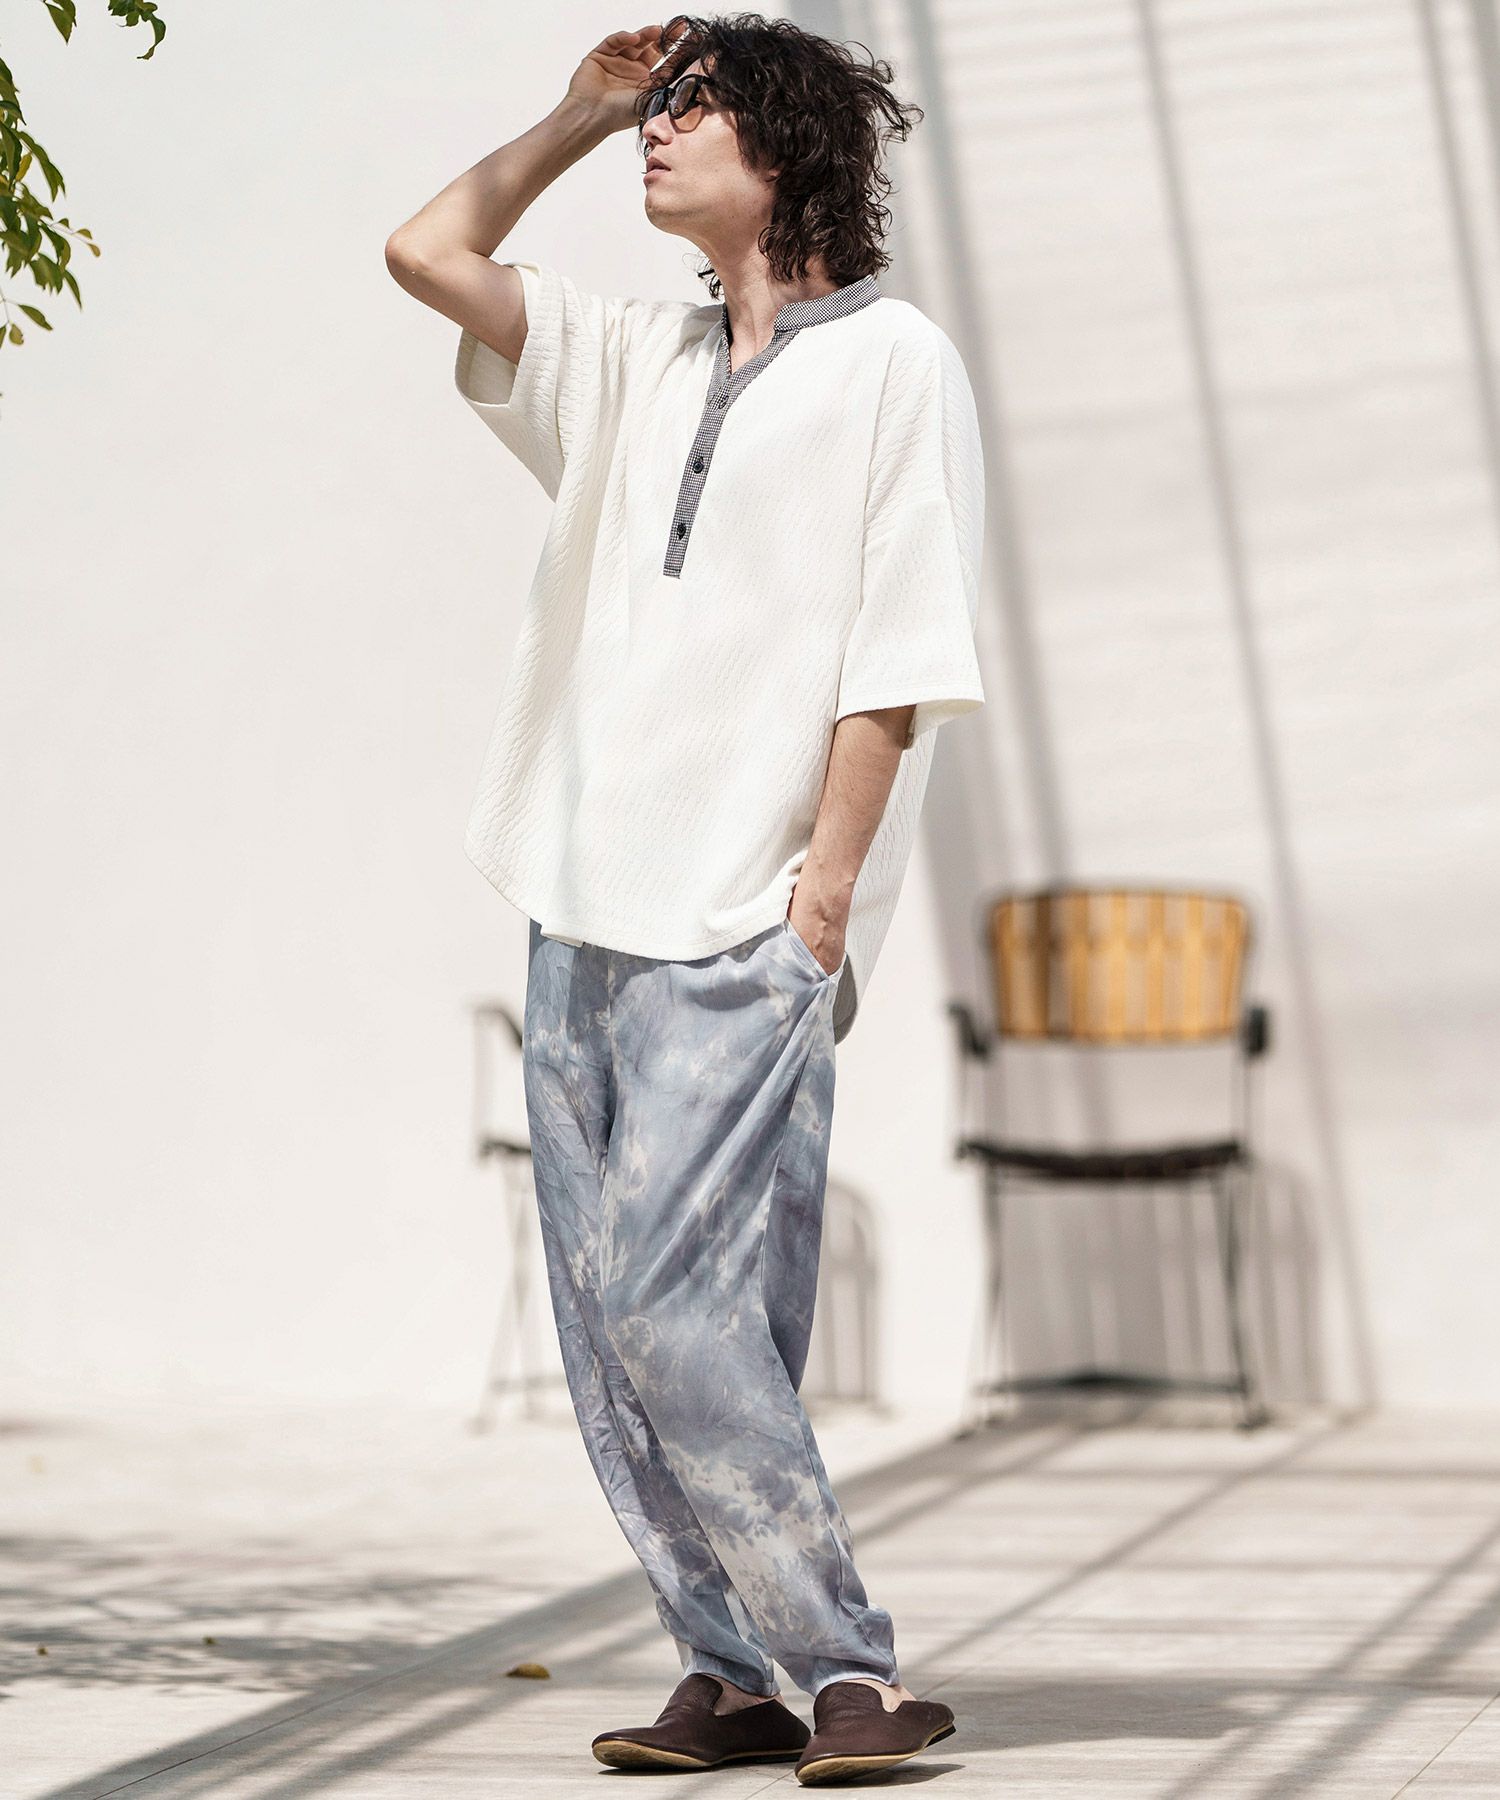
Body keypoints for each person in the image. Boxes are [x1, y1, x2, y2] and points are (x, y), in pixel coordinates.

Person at [385, 11, 983, 1784]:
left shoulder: (896, 363)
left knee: (677, 1300)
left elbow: (899, 650)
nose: (661, 131)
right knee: (609, 1327)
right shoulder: (630, 356)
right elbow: (427, 250)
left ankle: (845, 1670)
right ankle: (724, 1672)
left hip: (746, 925)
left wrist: (823, 906)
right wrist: (579, 113)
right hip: (580, 905)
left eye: (690, 109)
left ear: (784, 147)